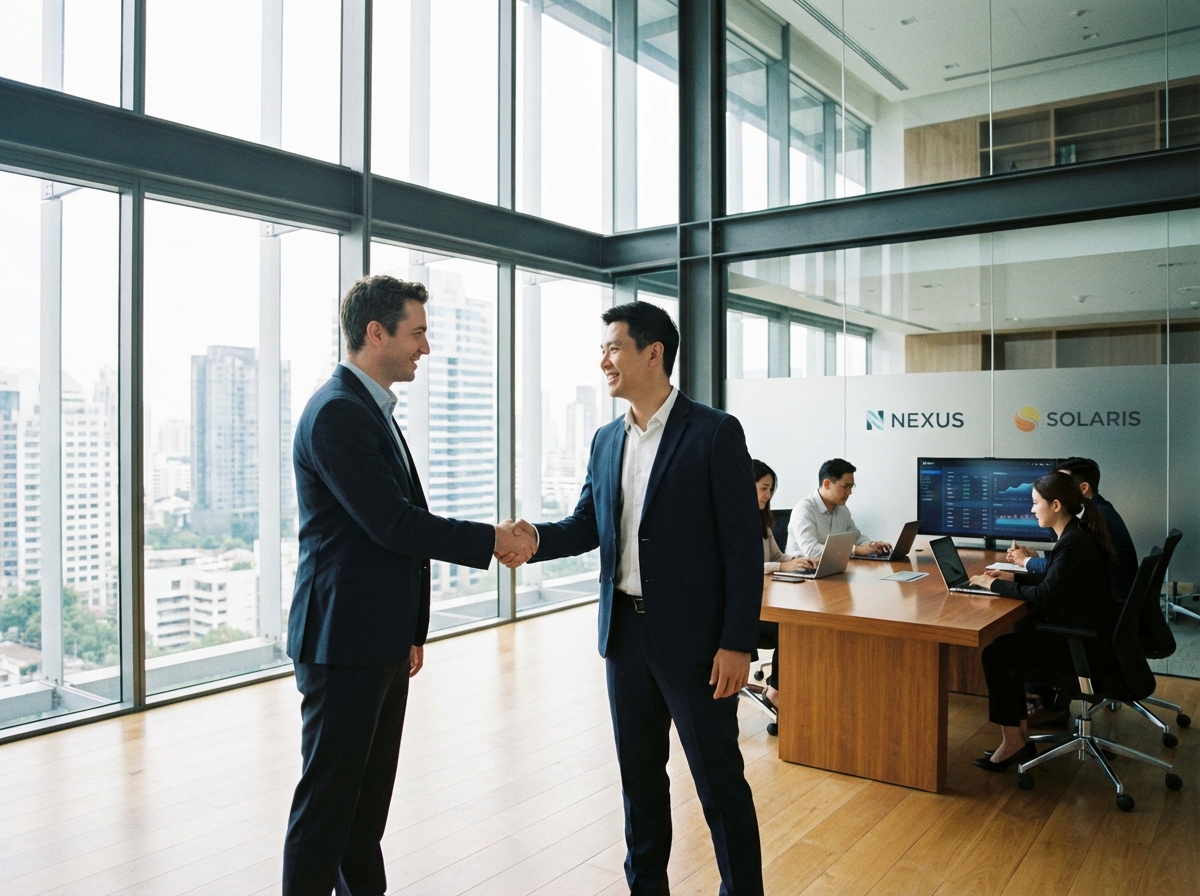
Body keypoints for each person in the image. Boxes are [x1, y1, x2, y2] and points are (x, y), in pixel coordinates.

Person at [500, 302, 765, 895]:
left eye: (613, 348)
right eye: (602, 350)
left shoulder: (715, 432)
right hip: (624, 637)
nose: (603, 361)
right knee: (640, 783)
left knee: (719, 784)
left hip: (697, 646)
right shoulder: (605, 439)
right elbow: (586, 524)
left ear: (654, 353)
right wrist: (533, 539)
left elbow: (743, 547)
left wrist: (736, 643)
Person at [282, 275, 532, 896]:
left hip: (378, 638)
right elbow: (392, 524)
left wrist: (410, 631)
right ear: (376, 333)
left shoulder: (370, 408)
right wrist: (491, 538)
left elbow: (389, 532)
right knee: (327, 810)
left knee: (363, 815)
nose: (425, 347)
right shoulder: (337, 412)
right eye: (416, 333)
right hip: (341, 641)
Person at [967, 471, 1117, 771]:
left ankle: (1014, 741)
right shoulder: (1077, 534)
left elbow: (1045, 595)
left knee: (996, 654)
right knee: (1016, 634)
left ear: (1056, 505)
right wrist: (1012, 578)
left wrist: (993, 585)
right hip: (1091, 638)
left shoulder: (1074, 542)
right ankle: (1022, 732)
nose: (1032, 509)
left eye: (1036, 503)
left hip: (1081, 648)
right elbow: (1056, 578)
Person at [1008, 456, 1138, 603]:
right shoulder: (1098, 511)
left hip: (1112, 601)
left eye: (1064, 482)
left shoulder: (1095, 520)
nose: (1058, 485)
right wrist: (1036, 556)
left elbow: (1064, 567)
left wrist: (1026, 560)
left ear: (1084, 488)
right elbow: (1068, 562)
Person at [751, 459, 815, 712]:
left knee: (801, 624)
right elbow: (746, 567)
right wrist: (782, 566)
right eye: (763, 488)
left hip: (764, 600)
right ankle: (775, 691)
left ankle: (789, 688)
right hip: (744, 611)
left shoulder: (761, 519)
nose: (768, 495)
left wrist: (801, 560)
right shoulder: (733, 522)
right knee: (791, 628)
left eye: (770, 489)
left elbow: (776, 556)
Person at [785, 458, 891, 559]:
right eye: (845, 486)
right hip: (802, 569)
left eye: (851, 487)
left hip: (832, 566)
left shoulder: (842, 509)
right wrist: (855, 550)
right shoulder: (804, 509)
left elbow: (856, 537)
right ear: (827, 484)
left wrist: (872, 546)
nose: (850, 492)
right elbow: (811, 551)